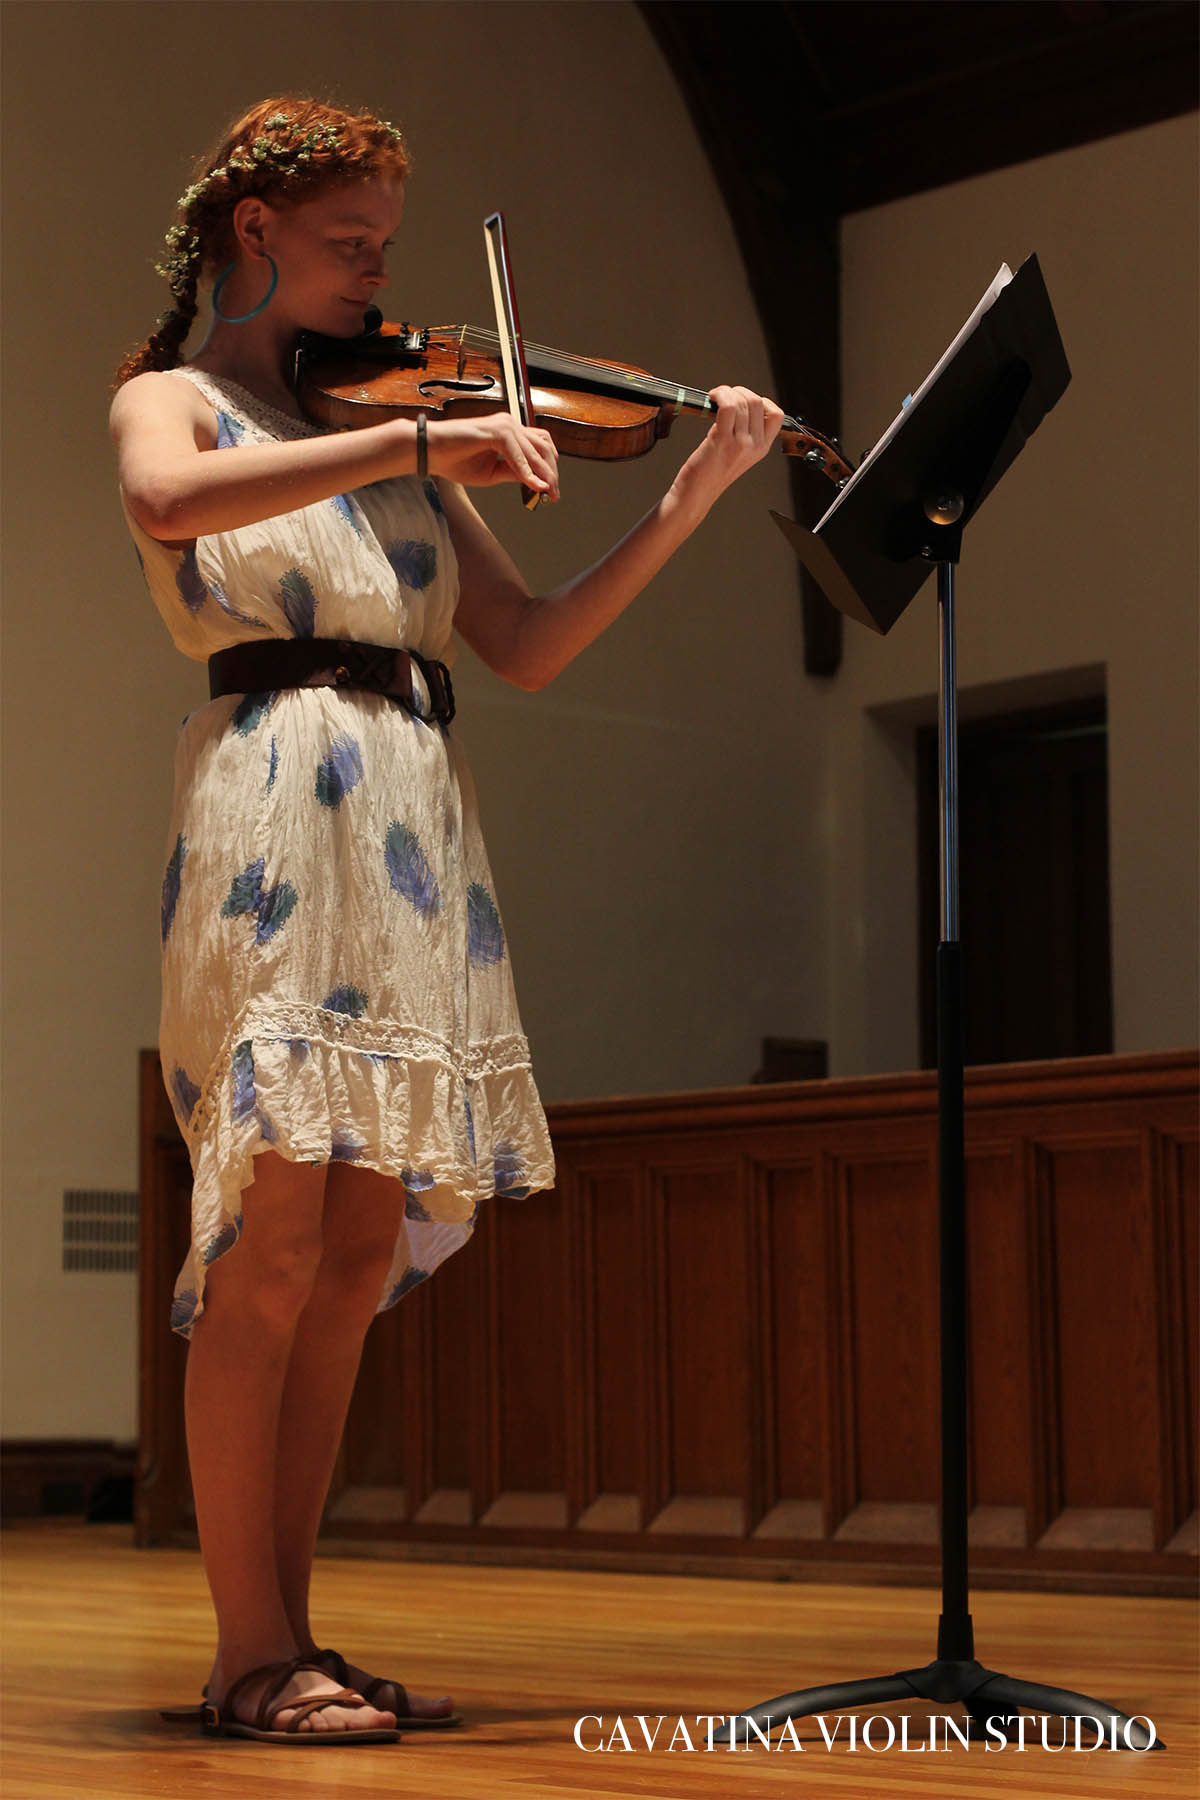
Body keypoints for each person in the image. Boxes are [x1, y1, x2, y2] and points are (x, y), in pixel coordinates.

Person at [110, 95, 784, 1747]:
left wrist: (688, 497)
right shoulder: (175, 400)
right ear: (253, 234)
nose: (376, 280)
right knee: (268, 1247)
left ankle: (294, 1633)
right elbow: (168, 507)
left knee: (348, 1254)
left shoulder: (398, 416)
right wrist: (423, 443)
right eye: (351, 245)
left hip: (410, 826)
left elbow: (529, 645)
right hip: (276, 809)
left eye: (386, 248)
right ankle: (244, 1654)